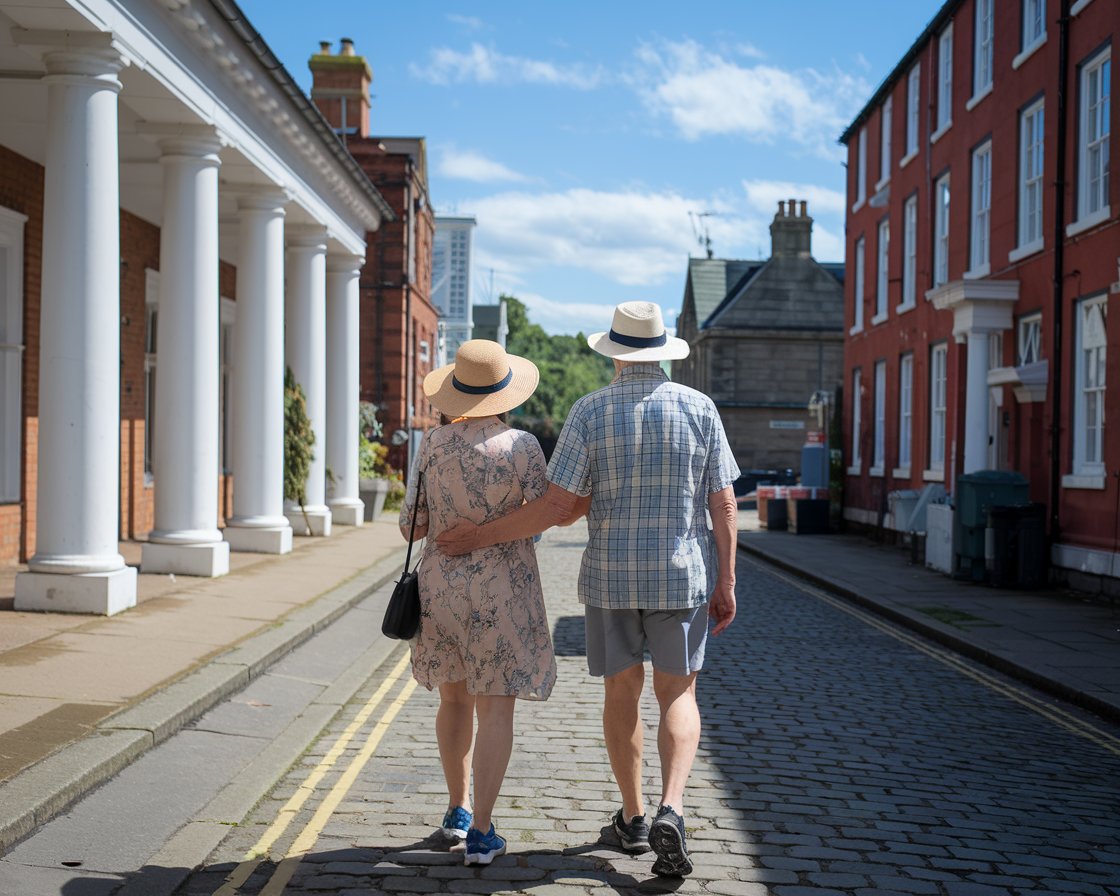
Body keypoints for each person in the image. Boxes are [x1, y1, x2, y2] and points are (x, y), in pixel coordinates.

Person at [437, 301, 739, 878]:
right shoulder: (700, 408)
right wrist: (726, 580)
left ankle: (634, 818)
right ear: (661, 353)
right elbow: (723, 503)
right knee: (679, 696)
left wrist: (478, 535)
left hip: (610, 578)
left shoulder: (591, 411)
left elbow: (557, 507)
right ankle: (673, 807)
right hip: (681, 576)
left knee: (622, 694)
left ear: (616, 355)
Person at [398, 339, 560, 867]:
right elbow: (539, 520)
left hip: (440, 586)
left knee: (453, 701)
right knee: (495, 708)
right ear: (504, 392)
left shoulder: (432, 445)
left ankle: (457, 810)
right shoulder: (523, 446)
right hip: (503, 587)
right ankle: (484, 834)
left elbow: (410, 525)